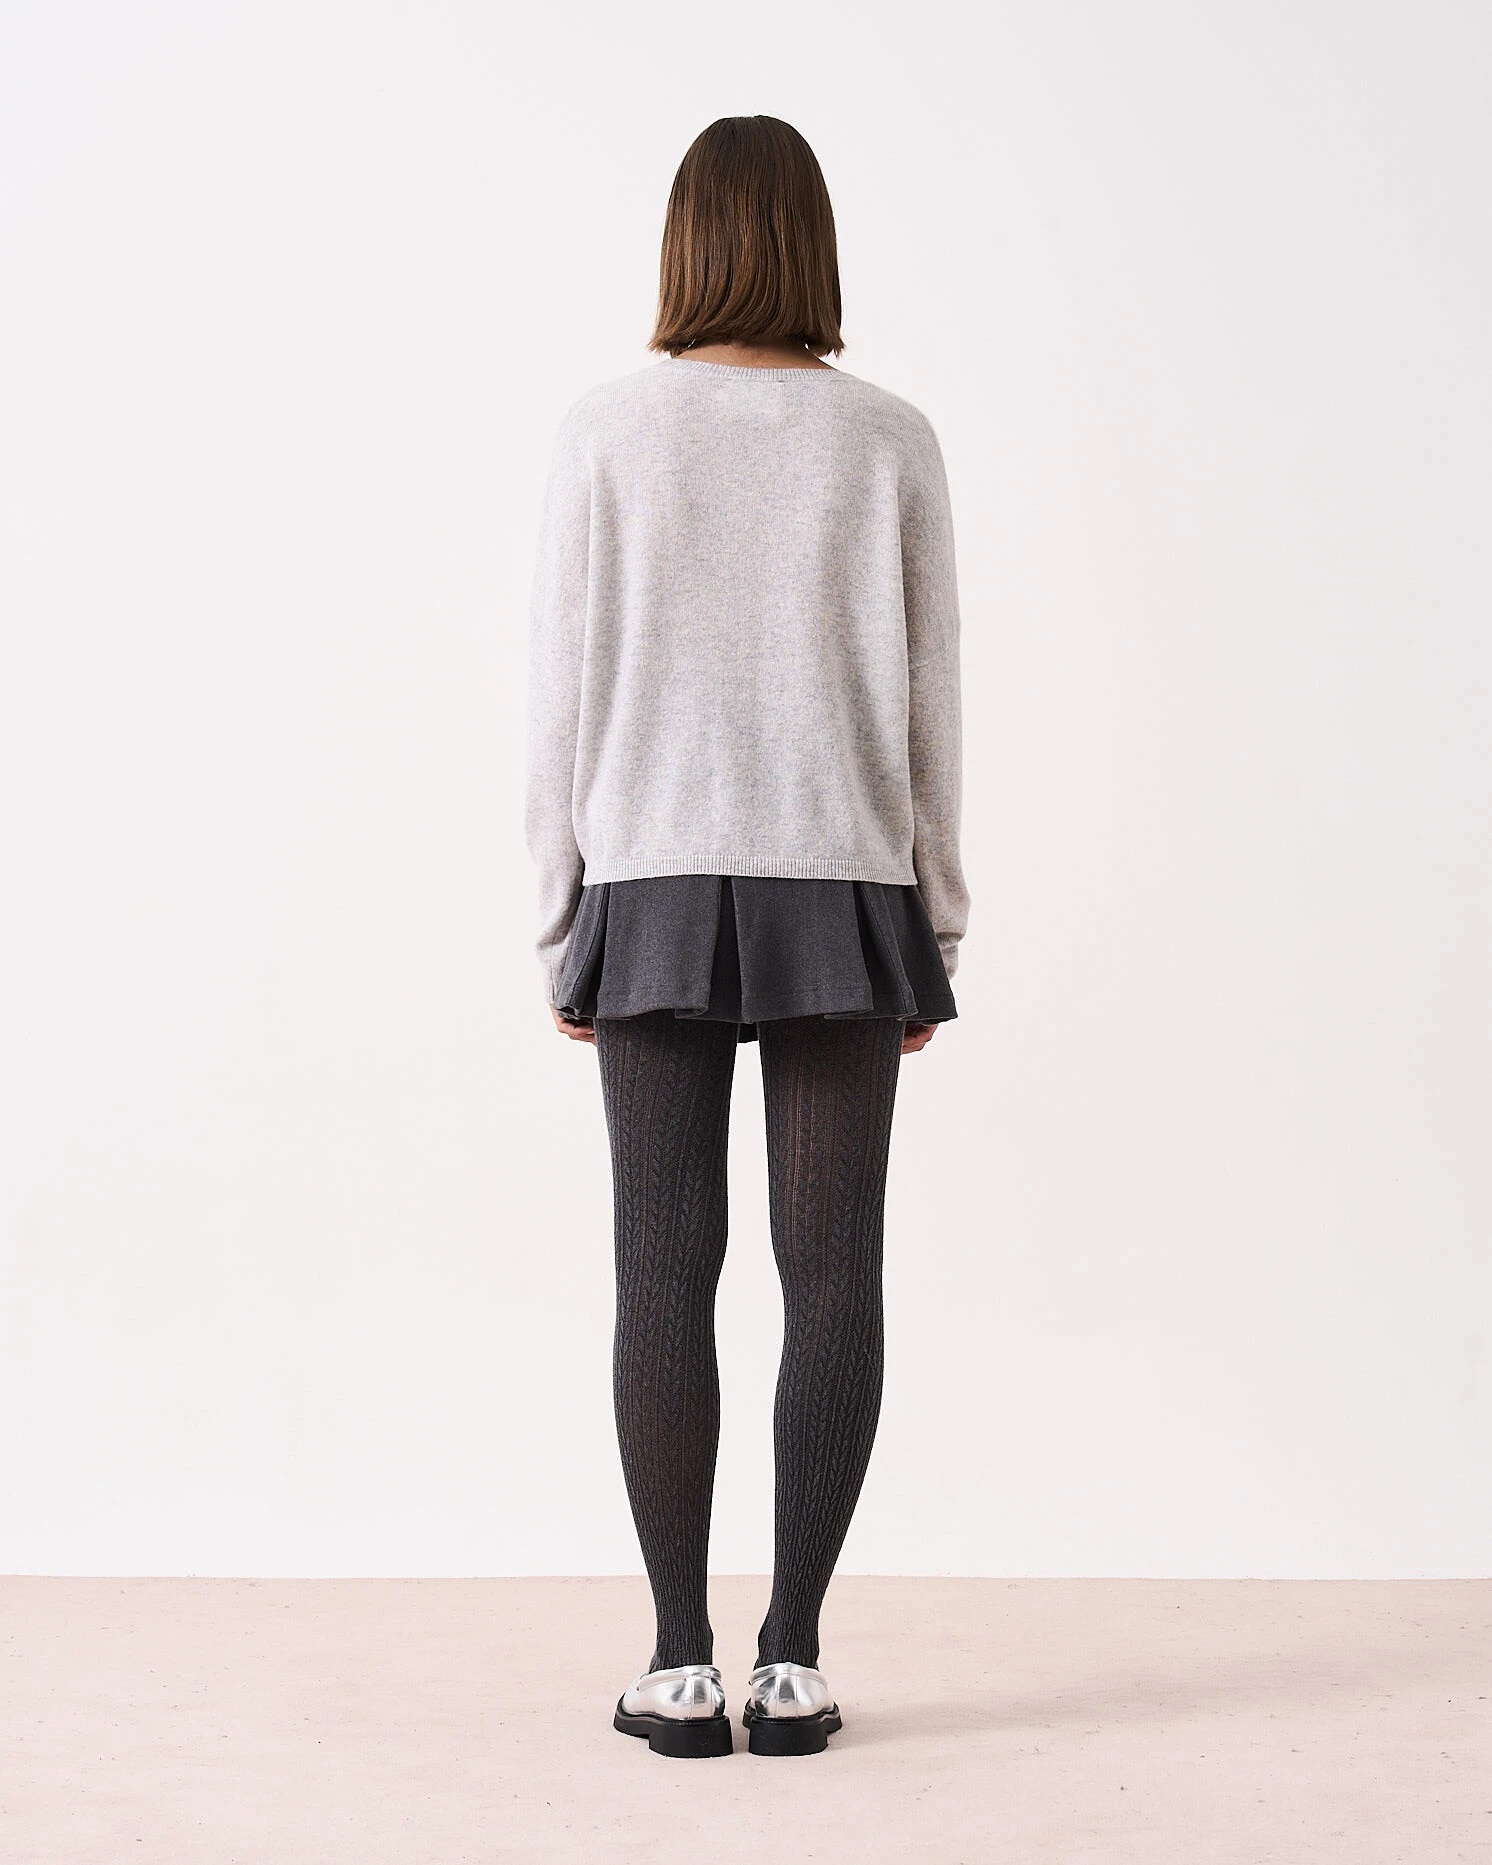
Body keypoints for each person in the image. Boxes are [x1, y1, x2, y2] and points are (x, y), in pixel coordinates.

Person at [523, 114, 971, 1759]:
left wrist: (558, 911)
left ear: (686, 242)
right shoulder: (890, 438)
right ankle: (791, 1658)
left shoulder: (607, 431)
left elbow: (558, 691)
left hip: (648, 878)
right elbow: (931, 696)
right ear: (812, 245)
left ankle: (672, 1662)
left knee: (663, 1266)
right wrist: (936, 915)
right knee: (833, 1268)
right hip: (843, 880)